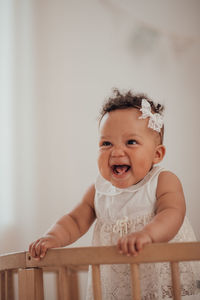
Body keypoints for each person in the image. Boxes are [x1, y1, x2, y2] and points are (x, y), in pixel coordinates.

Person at [29, 89, 200, 299]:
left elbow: (172, 213)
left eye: (131, 142)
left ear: (157, 154)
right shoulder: (98, 190)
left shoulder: (162, 181)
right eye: (106, 143)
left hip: (163, 278)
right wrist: (52, 237)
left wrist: (148, 234)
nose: (116, 152)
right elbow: (74, 220)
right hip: (119, 285)